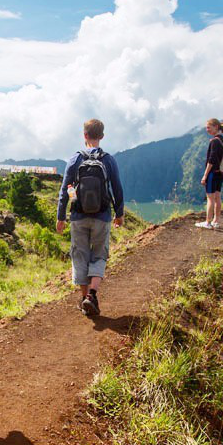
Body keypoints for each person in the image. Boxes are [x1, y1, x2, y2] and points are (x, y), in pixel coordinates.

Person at [56, 119, 124, 316]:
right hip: (102, 216)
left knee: (80, 255)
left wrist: (61, 216)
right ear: (102, 136)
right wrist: (119, 214)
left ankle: (85, 297)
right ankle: (92, 295)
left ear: (84, 135)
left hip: (78, 216)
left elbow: (65, 190)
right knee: (99, 254)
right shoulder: (109, 160)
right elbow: (117, 189)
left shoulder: (74, 160)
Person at [196, 118, 223, 229]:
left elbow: (212, 159)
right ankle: (216, 221)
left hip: (212, 173)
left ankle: (208, 222)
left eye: (209, 127)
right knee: (218, 197)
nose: (207, 130)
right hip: (220, 173)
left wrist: (205, 175)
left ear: (216, 126)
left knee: (210, 198)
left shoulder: (214, 141)